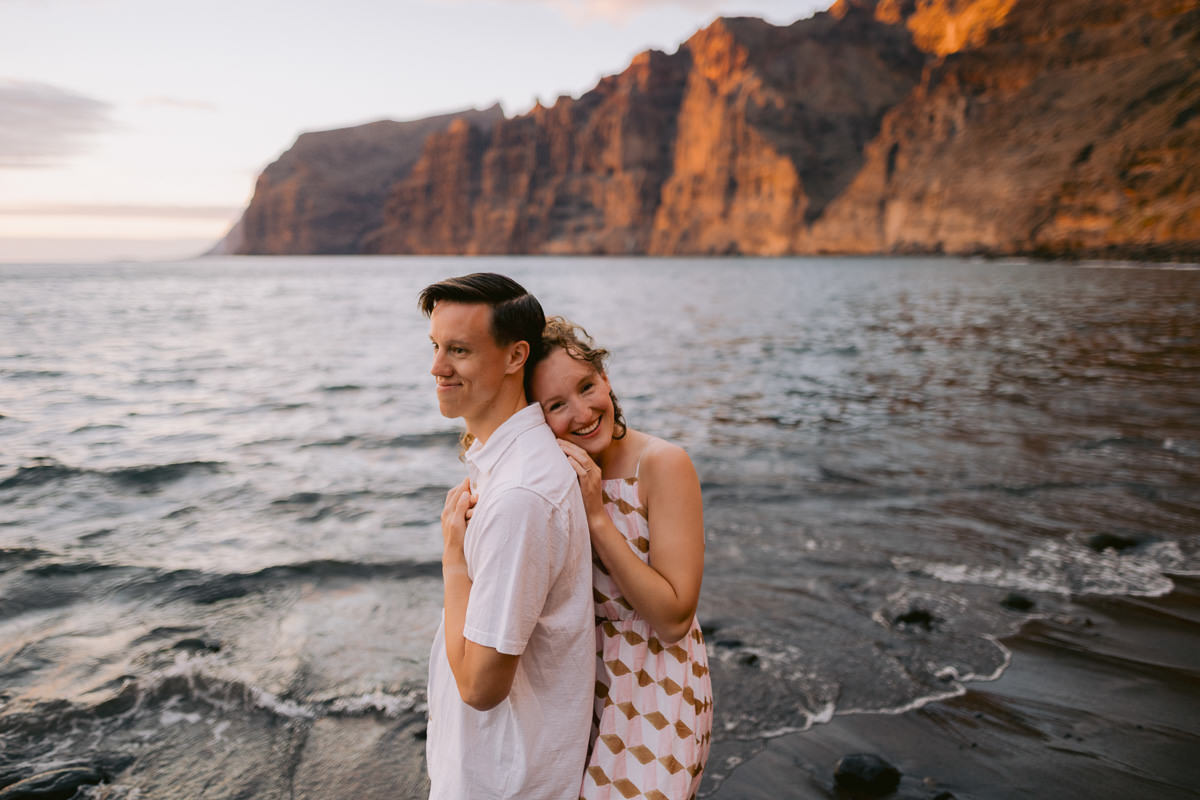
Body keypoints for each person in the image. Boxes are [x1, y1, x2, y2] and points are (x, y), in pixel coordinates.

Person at [420, 275, 594, 799]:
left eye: (459, 350)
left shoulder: (520, 495)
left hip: (502, 784)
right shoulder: (505, 467)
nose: (436, 367)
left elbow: (479, 686)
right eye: (435, 347)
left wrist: (453, 559)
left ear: (516, 356)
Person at [528, 316, 713, 800]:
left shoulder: (662, 465)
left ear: (606, 379)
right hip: (575, 683)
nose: (584, 411)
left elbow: (674, 618)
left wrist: (598, 519)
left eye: (587, 386)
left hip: (657, 681)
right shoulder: (551, 479)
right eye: (556, 405)